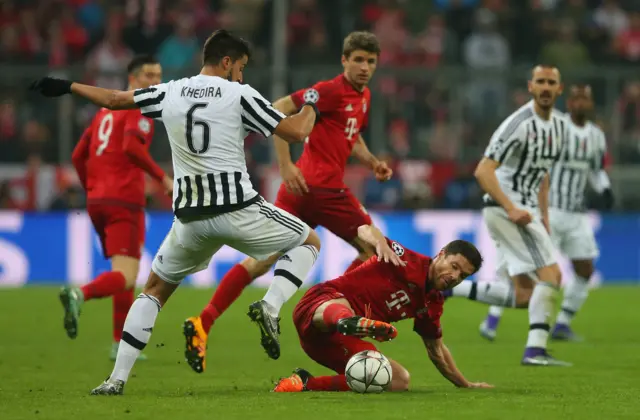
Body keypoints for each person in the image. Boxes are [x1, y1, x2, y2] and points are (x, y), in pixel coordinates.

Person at [30, 29, 324, 395]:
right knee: (308, 241)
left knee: (153, 290)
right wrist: (312, 104)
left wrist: (69, 86)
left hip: (190, 220)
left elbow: (115, 98)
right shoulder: (240, 94)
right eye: (241, 67)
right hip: (238, 209)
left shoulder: (170, 90)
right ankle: (270, 304)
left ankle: (115, 380)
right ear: (227, 62)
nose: (243, 76)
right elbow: (296, 132)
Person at [182, 31, 393, 373]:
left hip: (298, 191)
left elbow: (349, 135)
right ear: (344, 60)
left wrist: (371, 162)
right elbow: (279, 107)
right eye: (358, 59)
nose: (364, 67)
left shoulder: (363, 96)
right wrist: (285, 163)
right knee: (374, 248)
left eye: (370, 61)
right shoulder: (328, 90)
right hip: (325, 190)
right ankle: (331, 310)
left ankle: (204, 321)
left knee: (262, 260)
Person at [446, 65, 571, 366]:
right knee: (552, 275)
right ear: (530, 86)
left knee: (524, 294)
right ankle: (535, 351)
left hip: (525, 212)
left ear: (559, 89)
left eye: (550, 82)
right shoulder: (518, 124)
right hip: (507, 209)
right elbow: (483, 170)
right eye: (539, 81)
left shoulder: (559, 126)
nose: (544, 87)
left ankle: (452, 289)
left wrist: (545, 218)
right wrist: (510, 207)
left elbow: (542, 175)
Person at [272, 224, 492, 392]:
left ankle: (305, 383)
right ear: (441, 253)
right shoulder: (404, 259)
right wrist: (380, 244)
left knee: (397, 380)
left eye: (462, 275)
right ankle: (348, 321)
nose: (454, 277)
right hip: (318, 308)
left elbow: (437, 351)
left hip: (328, 344)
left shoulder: (432, 303)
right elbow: (364, 229)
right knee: (342, 308)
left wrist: (466, 385)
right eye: (454, 267)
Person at [475, 85, 612, 342]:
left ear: (591, 104)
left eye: (586, 99)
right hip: (549, 208)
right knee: (523, 269)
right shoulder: (556, 128)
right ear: (568, 102)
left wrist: (604, 188)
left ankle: (562, 324)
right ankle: (494, 319)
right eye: (577, 98)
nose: (581, 103)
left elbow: (596, 169)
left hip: (576, 213)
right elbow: (539, 166)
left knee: (585, 268)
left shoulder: (596, 136)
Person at [58, 55, 171, 361]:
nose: (156, 82)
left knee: (124, 270)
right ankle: (79, 294)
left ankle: (118, 342)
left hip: (98, 201)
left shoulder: (105, 110)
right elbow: (131, 147)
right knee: (126, 274)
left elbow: (78, 155)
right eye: (149, 75)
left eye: (159, 75)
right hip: (124, 200)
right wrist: (163, 178)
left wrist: (92, 187)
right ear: (132, 79)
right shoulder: (138, 106)